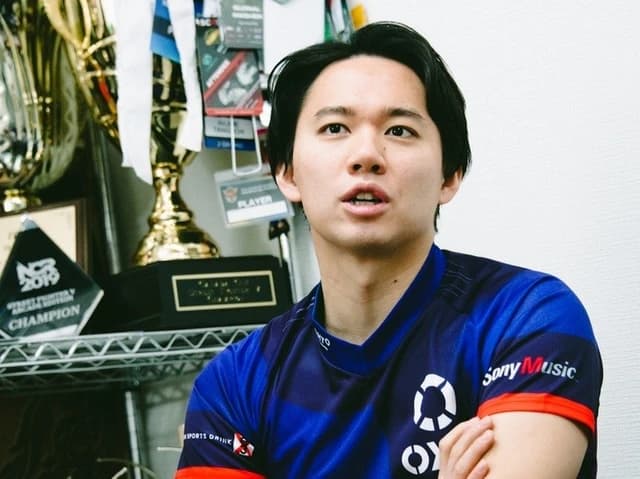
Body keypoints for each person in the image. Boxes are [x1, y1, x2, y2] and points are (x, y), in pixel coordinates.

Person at [175, 21, 602, 478]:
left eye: (399, 130)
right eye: (335, 127)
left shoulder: (525, 317)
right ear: (287, 173)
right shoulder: (234, 385)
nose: (366, 155)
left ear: (449, 175)